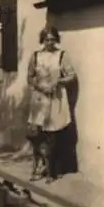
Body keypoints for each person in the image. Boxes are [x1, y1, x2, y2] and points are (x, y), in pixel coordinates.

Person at [26, 25, 76, 183]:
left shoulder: (62, 55)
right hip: (39, 99)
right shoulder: (35, 56)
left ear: (57, 40)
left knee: (53, 136)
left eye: (53, 39)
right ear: (43, 40)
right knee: (36, 136)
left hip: (55, 100)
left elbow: (72, 76)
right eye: (47, 39)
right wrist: (38, 85)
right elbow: (30, 76)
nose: (50, 42)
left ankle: (53, 171)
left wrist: (58, 82)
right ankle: (37, 168)